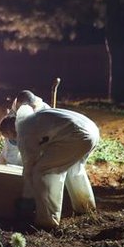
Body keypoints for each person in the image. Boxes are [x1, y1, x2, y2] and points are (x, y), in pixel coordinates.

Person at [15, 94, 100, 229]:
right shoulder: (38, 115)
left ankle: (48, 221)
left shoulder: (24, 129)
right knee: (73, 167)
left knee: (43, 171)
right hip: (92, 131)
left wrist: (28, 193)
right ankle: (85, 207)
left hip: (76, 135)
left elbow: (29, 160)